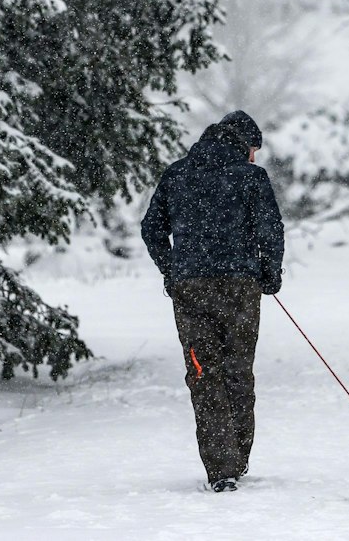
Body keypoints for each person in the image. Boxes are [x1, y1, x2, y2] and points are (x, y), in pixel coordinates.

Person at [141, 110, 285, 493]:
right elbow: (271, 229)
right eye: (254, 150)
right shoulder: (251, 177)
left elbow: (151, 228)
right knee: (238, 371)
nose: (253, 158)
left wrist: (172, 269)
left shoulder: (177, 174)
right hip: (240, 288)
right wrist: (270, 273)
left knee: (204, 373)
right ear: (245, 145)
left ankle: (222, 468)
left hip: (191, 290)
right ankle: (238, 457)